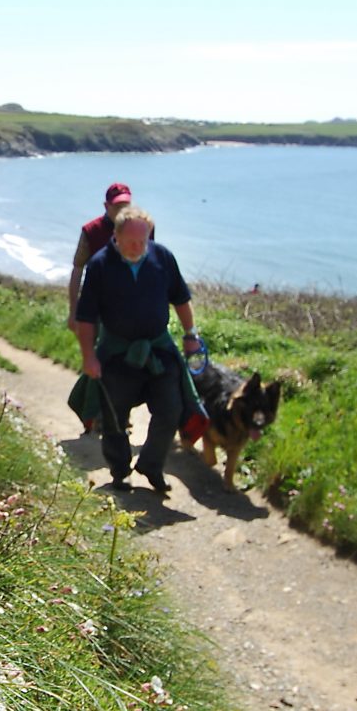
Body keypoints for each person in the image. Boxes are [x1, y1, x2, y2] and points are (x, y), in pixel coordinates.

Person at [74, 204, 204, 495]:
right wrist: (89, 356)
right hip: (117, 353)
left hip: (159, 349)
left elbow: (181, 299)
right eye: (131, 242)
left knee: (171, 409)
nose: (137, 247)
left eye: (142, 241)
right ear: (116, 237)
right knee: (114, 417)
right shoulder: (99, 265)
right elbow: (85, 318)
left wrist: (190, 334)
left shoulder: (163, 257)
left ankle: (151, 465)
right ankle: (120, 471)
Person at [66, 180, 133, 332]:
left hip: (132, 304)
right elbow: (77, 269)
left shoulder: (143, 228)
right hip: (97, 306)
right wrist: (73, 311)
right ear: (106, 206)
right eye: (117, 206)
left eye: (126, 206)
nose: (123, 211)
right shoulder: (91, 231)